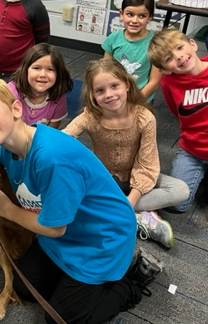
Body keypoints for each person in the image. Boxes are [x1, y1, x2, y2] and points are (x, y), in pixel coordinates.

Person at [0, 77, 163, 324]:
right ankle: (82, 283)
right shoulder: (8, 148)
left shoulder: (50, 159)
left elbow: (55, 228)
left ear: (15, 109)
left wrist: (6, 209)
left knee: (60, 318)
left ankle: (131, 283)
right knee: (23, 288)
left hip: (101, 239)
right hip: (68, 233)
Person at [63, 59, 189, 248]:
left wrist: (131, 201)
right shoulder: (90, 116)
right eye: (100, 90)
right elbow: (63, 139)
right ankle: (138, 218)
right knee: (68, 185)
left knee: (180, 190)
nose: (109, 95)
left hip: (136, 177)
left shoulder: (144, 117)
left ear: (127, 85)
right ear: (93, 94)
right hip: (104, 178)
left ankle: (114, 210)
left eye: (115, 86)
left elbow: (147, 164)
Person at [148, 28, 208, 213]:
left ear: (192, 43)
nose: (180, 57)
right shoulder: (168, 84)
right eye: (169, 58)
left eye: (180, 47)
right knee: (177, 204)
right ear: (165, 70)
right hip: (193, 151)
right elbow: (179, 113)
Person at [102, 0, 162, 102]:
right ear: (121, 14)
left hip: (141, 99)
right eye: (130, 14)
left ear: (150, 17)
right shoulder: (113, 39)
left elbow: (154, 82)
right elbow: (105, 70)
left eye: (142, 16)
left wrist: (134, 101)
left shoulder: (156, 44)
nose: (134, 20)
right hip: (115, 97)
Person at [8, 43, 73, 128]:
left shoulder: (58, 97)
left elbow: (50, 134)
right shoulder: (11, 92)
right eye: (36, 68)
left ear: (58, 74)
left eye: (50, 69)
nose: (43, 74)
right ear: (25, 70)